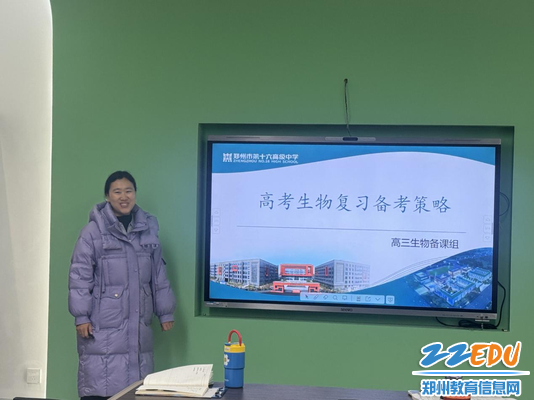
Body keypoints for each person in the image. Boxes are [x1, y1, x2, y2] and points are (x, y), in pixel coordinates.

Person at [68, 171, 176, 400]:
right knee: (100, 381)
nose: (124, 197)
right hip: (102, 321)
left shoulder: (148, 230)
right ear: (107, 196)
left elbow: (158, 273)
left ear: (135, 194)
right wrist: (81, 316)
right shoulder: (92, 233)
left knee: (136, 384)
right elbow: (79, 275)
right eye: (117, 192)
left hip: (138, 320)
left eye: (129, 191)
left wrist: (165, 312)